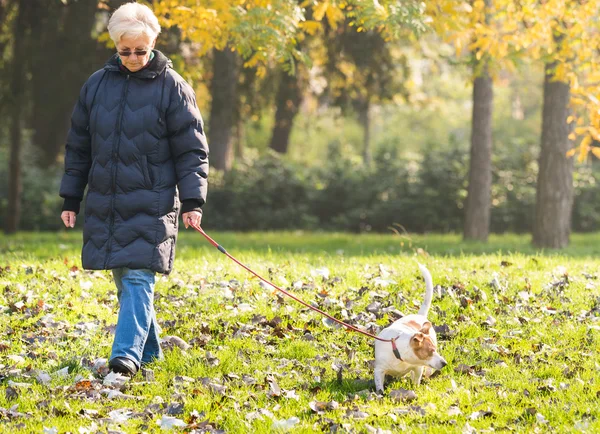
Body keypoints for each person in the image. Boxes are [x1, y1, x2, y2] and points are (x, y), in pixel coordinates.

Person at [59, 2, 209, 376]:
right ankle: (153, 356)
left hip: (153, 199)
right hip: (106, 202)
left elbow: (191, 149)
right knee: (126, 282)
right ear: (115, 46)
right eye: (125, 51)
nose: (133, 58)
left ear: (154, 43)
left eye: (140, 50)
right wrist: (71, 197)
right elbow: (79, 145)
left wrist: (193, 201)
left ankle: (124, 358)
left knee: (140, 276)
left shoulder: (173, 87)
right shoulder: (96, 85)